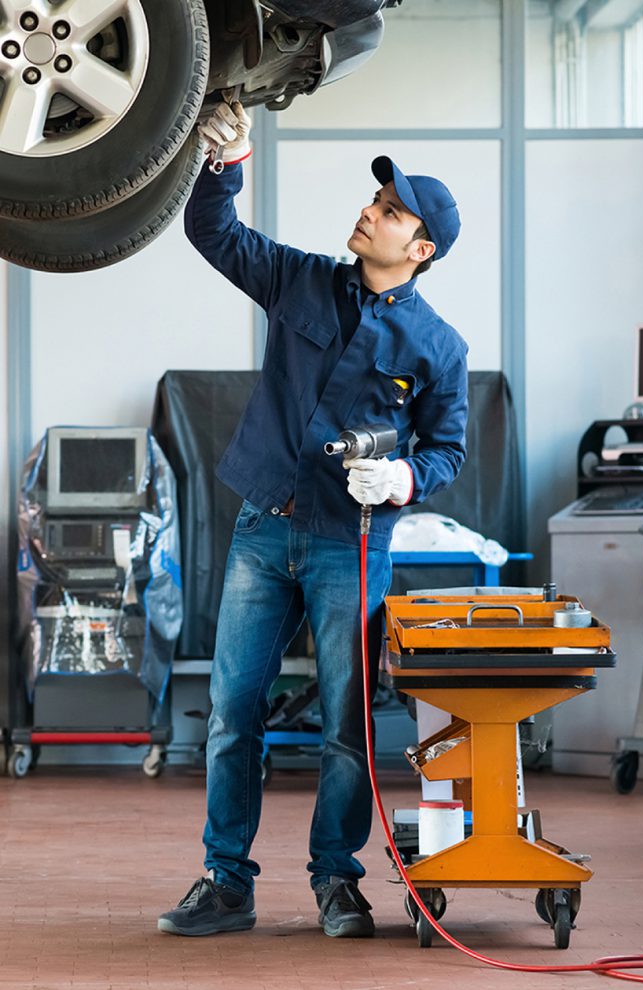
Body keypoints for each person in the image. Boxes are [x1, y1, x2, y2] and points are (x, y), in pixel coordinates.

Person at [158, 100, 469, 939]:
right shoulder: (299, 279)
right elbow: (213, 233)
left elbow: (449, 450)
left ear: (421, 249)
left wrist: (404, 476)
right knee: (232, 713)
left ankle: (338, 880)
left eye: (392, 211)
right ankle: (227, 881)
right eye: (377, 201)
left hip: (351, 547)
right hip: (264, 528)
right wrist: (228, 160)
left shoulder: (439, 348)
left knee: (346, 726)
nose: (371, 211)